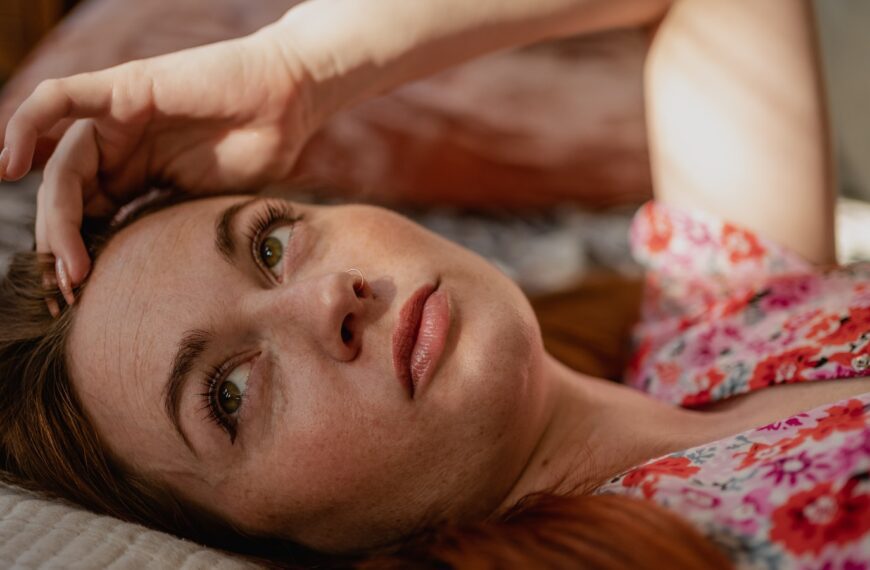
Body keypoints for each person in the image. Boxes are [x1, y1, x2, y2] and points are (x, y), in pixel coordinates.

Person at [0, 0, 867, 568]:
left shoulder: (711, 323)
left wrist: (300, 72)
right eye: (227, 394)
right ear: (257, 543)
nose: (326, 300)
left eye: (269, 246)